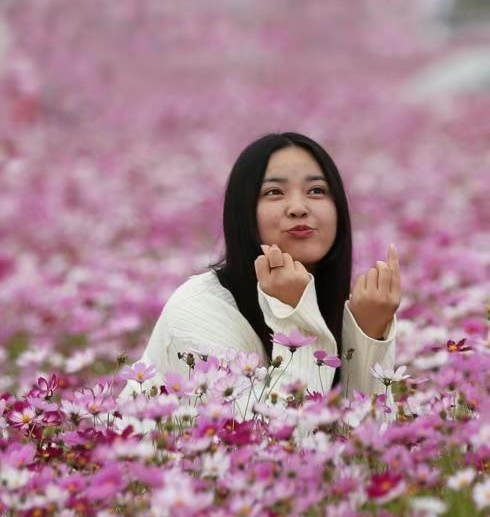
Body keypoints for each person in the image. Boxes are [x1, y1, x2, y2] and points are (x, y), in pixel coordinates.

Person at [117, 132, 401, 431]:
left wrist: (368, 334)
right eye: (274, 192)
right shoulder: (197, 309)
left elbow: (369, 445)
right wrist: (296, 317)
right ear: (244, 213)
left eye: (317, 190)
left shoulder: (333, 301)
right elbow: (270, 444)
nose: (298, 207)